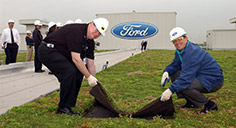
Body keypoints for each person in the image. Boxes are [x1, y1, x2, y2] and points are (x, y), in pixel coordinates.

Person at [38, 18, 109, 115]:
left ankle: (69, 104)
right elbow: (76, 59)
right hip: (48, 50)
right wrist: (88, 77)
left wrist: (94, 81)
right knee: (69, 73)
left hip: (61, 53)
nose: (96, 34)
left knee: (79, 72)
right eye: (96, 30)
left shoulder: (90, 41)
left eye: (99, 33)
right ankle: (63, 108)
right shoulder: (77, 32)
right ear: (92, 24)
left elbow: (90, 63)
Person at [160, 27, 224, 114]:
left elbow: (186, 78)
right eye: (174, 41)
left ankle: (209, 104)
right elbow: (175, 64)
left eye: (180, 39)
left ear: (186, 38)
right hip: (200, 75)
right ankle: (191, 102)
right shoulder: (181, 50)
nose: (177, 43)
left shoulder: (192, 53)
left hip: (213, 80)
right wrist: (166, 71)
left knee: (185, 84)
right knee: (174, 73)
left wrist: (170, 90)